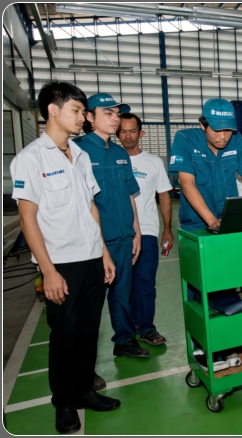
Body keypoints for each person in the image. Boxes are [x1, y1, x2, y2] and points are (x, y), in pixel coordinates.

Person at [10, 81, 120, 434]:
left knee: (89, 330)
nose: (83, 118)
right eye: (76, 110)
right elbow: (28, 217)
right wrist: (48, 271)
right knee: (64, 334)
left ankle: (84, 390)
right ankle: (64, 402)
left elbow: (90, 206)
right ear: (53, 110)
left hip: (91, 258)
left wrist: (103, 252)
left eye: (84, 111)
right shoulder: (30, 159)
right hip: (60, 263)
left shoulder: (81, 155)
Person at [74, 93, 149, 358]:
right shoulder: (77, 150)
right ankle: (84, 360)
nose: (115, 118)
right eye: (108, 113)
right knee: (89, 302)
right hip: (93, 241)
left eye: (117, 113)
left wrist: (136, 232)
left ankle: (124, 341)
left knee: (122, 293)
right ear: (89, 117)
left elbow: (130, 195)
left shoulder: (120, 153)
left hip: (123, 237)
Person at [117, 113, 172, 346]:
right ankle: (129, 328)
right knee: (123, 285)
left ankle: (147, 328)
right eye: (123, 131)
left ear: (141, 133)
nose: (128, 136)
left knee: (146, 282)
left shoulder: (154, 162)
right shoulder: (112, 160)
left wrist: (167, 229)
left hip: (147, 230)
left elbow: (164, 196)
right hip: (119, 233)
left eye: (132, 131)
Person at [168, 98, 242, 231]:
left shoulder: (236, 140)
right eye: (216, 130)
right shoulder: (186, 139)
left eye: (228, 130)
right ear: (203, 125)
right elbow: (187, 184)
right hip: (196, 224)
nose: (223, 137)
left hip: (229, 219)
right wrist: (211, 220)